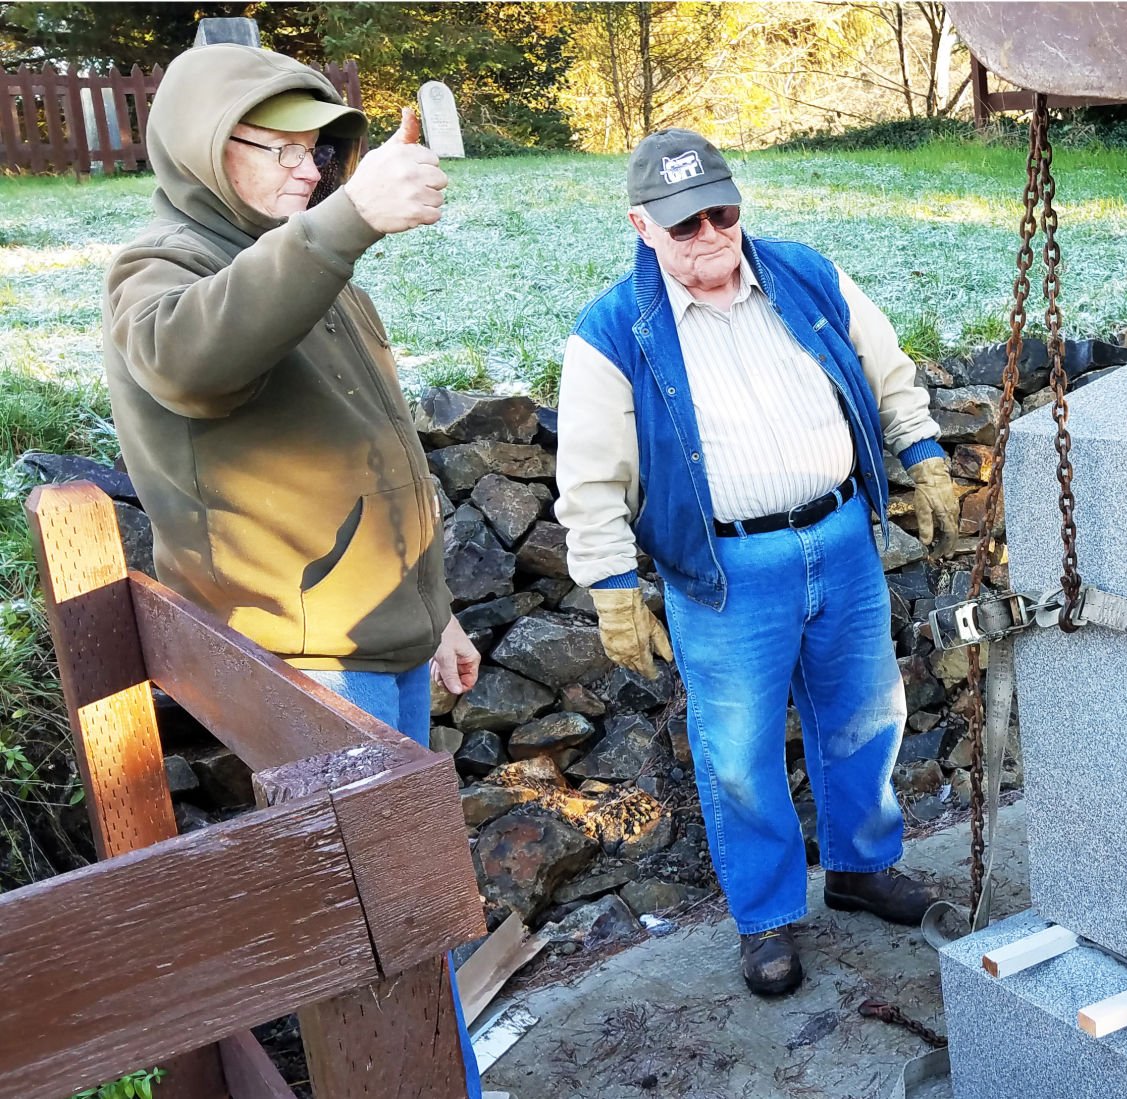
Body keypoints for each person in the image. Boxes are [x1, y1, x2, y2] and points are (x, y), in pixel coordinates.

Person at [101, 43, 482, 1094]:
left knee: (409, 917)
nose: (310, 170)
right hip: (309, 666)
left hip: (381, 638)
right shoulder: (159, 267)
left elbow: (377, 450)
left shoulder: (306, 262)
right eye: (280, 149)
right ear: (197, 146)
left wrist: (434, 609)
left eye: (320, 149)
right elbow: (193, 360)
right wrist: (348, 220)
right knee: (381, 935)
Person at [556, 129, 961, 997]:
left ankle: (861, 866)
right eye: (682, 224)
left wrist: (920, 448)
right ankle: (768, 919)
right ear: (640, 224)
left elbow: (884, 365)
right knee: (737, 755)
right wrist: (612, 588)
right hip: (725, 568)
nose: (707, 235)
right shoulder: (612, 330)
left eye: (720, 212)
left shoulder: (804, 273)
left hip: (841, 534)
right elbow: (590, 474)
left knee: (865, 714)